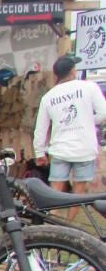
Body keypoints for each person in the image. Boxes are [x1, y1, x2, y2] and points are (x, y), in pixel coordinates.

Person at [34, 54, 106, 218]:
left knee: (55, 189)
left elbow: (41, 128)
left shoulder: (48, 97)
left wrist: (39, 152)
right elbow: (104, 113)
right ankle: (69, 225)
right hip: (85, 147)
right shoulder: (89, 87)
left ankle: (52, 223)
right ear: (73, 71)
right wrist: (88, 120)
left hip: (60, 148)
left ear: (56, 75)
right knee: (78, 191)